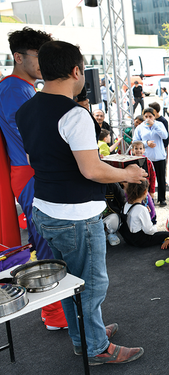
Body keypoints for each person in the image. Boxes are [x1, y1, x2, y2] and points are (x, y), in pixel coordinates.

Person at [18, 40, 145, 364]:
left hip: (44, 209)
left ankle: (85, 337)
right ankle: (97, 348)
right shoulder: (74, 115)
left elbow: (36, 158)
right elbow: (90, 169)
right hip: (76, 217)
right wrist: (127, 174)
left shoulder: (26, 109)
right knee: (90, 284)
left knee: (69, 283)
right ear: (77, 71)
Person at [0, 26, 68, 329]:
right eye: (38, 56)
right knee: (47, 244)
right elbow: (31, 141)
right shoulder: (14, 89)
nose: (43, 62)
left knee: (51, 242)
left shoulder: (22, 88)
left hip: (32, 174)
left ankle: (58, 313)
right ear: (18, 57)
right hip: (30, 175)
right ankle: (55, 315)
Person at [133, 107, 168, 206]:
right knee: (147, 178)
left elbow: (165, 136)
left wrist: (155, 126)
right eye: (146, 116)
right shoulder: (140, 127)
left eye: (150, 116)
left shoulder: (159, 124)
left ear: (154, 116)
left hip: (159, 156)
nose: (148, 118)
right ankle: (147, 198)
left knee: (161, 178)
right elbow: (135, 141)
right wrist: (146, 143)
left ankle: (162, 199)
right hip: (146, 157)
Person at [121, 180, 169, 247]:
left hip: (128, 238)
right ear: (145, 191)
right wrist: (155, 229)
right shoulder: (142, 209)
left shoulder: (126, 204)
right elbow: (149, 230)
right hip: (140, 241)